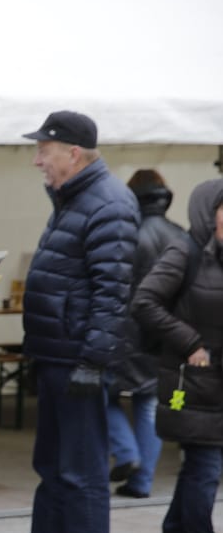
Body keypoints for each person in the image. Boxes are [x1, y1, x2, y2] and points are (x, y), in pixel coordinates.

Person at [0, 111, 137, 533]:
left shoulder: (107, 204)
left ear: (72, 152)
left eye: (44, 150)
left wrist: (92, 360)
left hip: (78, 358)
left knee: (82, 468)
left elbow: (112, 292)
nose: (37, 160)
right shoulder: (75, 198)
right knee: (52, 464)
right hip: (56, 353)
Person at [131, 178, 223, 533]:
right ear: (209, 211)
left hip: (216, 384)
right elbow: (144, 301)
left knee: (196, 469)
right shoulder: (184, 251)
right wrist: (191, 342)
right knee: (205, 468)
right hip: (193, 381)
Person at [107, 169, 190, 498]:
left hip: (126, 332)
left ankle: (127, 453)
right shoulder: (182, 235)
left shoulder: (126, 235)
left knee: (101, 394)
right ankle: (141, 482)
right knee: (151, 402)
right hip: (167, 333)